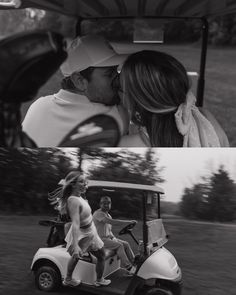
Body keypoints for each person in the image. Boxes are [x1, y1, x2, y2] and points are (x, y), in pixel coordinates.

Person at [22, 34, 129, 147]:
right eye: (109, 74)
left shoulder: (38, 106)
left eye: (116, 71)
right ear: (79, 81)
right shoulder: (115, 116)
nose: (118, 78)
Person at [118, 50, 229, 147]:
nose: (119, 92)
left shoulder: (126, 145)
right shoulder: (208, 120)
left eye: (122, 88)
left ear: (139, 101)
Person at [49, 171, 111, 287]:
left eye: (85, 182)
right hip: (84, 234)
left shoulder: (80, 197)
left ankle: (99, 279)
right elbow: (76, 223)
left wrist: (83, 191)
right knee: (77, 256)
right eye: (81, 182)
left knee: (101, 255)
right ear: (73, 184)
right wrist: (75, 245)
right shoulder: (73, 200)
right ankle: (68, 279)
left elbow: (84, 213)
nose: (85, 184)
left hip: (91, 231)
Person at [93, 196, 136, 271]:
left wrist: (113, 238)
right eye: (104, 203)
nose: (106, 205)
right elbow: (113, 222)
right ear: (100, 204)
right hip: (99, 240)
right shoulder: (98, 214)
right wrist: (128, 222)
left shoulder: (109, 215)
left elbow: (109, 231)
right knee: (119, 245)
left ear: (110, 204)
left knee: (125, 244)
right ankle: (128, 267)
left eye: (108, 203)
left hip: (107, 239)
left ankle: (135, 263)